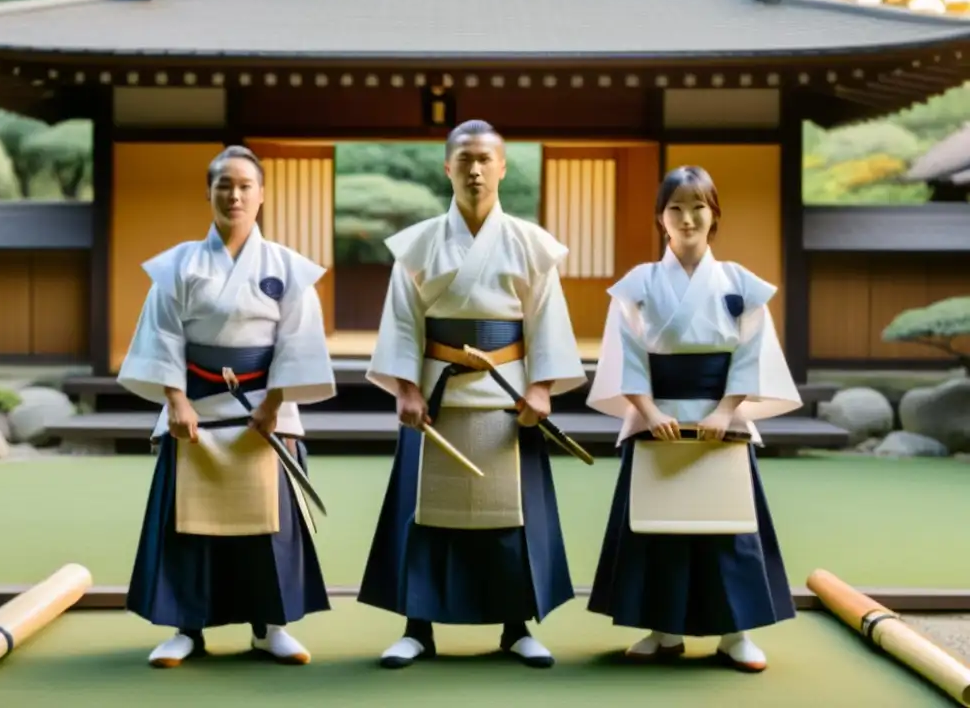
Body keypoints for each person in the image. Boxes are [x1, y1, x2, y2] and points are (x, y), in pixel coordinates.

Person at [357, 120, 587, 669]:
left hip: (507, 392)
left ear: (503, 166)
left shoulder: (531, 245)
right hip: (437, 392)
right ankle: (418, 626)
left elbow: (546, 320)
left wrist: (542, 387)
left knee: (508, 513)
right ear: (448, 169)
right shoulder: (418, 245)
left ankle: (516, 626)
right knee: (428, 512)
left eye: (485, 159)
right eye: (464, 161)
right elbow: (404, 322)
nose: (476, 170)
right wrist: (406, 388)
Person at [117, 145, 336, 668]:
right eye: (223, 185)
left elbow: (298, 343)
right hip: (196, 408)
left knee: (269, 526)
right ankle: (187, 629)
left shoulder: (289, 269)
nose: (234, 195)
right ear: (209, 192)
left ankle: (271, 627)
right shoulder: (178, 267)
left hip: (264, 409)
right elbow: (161, 337)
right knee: (190, 524)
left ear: (261, 194)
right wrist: (175, 400)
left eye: (244, 185)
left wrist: (275, 403)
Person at [585, 165, 802, 673]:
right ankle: (662, 630)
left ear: (714, 214)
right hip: (657, 417)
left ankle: (735, 632)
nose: (687, 218)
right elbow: (628, 356)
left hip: (720, 419)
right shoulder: (638, 284)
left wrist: (727, 410)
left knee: (727, 526)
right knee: (658, 526)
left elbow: (751, 353)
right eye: (676, 208)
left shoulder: (741, 285)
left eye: (698, 207)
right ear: (661, 218)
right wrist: (650, 410)